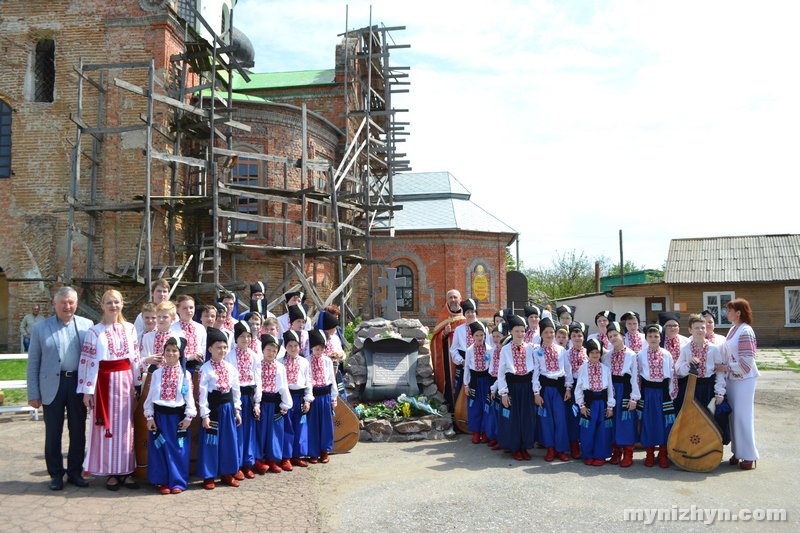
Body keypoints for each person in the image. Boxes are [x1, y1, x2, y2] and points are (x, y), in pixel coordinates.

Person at [26, 287, 94, 490]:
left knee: (78, 431)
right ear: (54, 304)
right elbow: (33, 363)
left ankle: (75, 472)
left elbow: (92, 360)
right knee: (53, 433)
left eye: (71, 302)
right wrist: (33, 393)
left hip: (77, 385)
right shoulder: (40, 327)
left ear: (77, 304)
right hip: (51, 386)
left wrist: (91, 389)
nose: (67, 306)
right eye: (63, 302)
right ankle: (56, 474)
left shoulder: (87, 325)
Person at [77, 289, 142, 491]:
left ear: (122, 304)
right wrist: (88, 390)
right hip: (103, 384)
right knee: (107, 428)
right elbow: (87, 362)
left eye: (117, 302)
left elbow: (135, 358)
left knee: (126, 428)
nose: (113, 306)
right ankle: (110, 473)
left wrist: (137, 384)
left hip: (125, 382)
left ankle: (126, 471)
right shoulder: (94, 331)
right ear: (102, 306)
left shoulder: (130, 328)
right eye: (109, 302)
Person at [143, 336, 196, 494]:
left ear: (180, 353)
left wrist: (188, 417)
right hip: (160, 418)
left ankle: (177, 481)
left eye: (174, 350)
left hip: (177, 419)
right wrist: (149, 416)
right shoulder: (158, 373)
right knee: (160, 448)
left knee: (177, 450)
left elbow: (189, 397)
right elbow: (151, 396)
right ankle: (163, 481)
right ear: (163, 352)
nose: (171, 353)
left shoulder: (185, 374)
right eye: (168, 350)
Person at [197, 327, 242, 489]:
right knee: (211, 441)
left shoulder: (231, 368)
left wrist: (237, 410)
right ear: (210, 349)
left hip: (228, 409)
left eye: (224, 347)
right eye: (218, 347)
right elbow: (202, 394)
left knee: (228, 441)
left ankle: (227, 473)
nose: (222, 350)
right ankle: (209, 476)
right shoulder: (205, 369)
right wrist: (205, 415)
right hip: (213, 410)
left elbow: (235, 391)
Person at [721, 298, 759, 470]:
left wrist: (724, 367)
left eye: (729, 310)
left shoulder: (746, 331)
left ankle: (750, 455)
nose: (727, 313)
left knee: (743, 417)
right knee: (733, 417)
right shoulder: (733, 329)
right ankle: (737, 452)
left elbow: (747, 363)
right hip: (733, 379)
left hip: (744, 379)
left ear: (738, 312)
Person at [636, 324, 678, 468]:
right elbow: (637, 377)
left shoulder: (667, 354)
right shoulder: (640, 355)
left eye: (656, 336)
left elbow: (672, 375)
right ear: (646, 338)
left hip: (663, 393)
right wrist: (637, 395)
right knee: (648, 423)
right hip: (647, 393)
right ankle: (649, 454)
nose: (653, 339)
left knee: (664, 424)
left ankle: (663, 454)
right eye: (650, 336)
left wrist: (672, 394)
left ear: (660, 337)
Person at [496, 314, 537, 461]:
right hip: (512, 387)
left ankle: (525, 446)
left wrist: (535, 390)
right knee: (513, 418)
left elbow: (535, 371)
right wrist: (504, 393)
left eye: (522, 331)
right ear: (511, 332)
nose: (520, 334)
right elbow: (501, 374)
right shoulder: (505, 350)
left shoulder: (530, 349)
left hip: (526, 387)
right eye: (517, 331)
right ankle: (515, 447)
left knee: (526, 417)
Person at [533, 317, 574, 462]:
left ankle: (560, 449)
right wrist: (536, 393)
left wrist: (568, 388)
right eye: (546, 332)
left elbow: (567, 370)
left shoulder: (561, 350)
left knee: (560, 419)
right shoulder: (537, 351)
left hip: (559, 389)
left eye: (551, 332)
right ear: (541, 334)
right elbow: (536, 373)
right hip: (545, 389)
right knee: (546, 420)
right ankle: (550, 449)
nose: (549, 335)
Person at [227, 321, 263, 478]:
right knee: (237, 431)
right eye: (242, 336)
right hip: (235, 396)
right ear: (236, 338)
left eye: (248, 336)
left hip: (249, 397)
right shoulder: (229, 356)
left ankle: (248, 463)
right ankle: (236, 464)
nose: (246, 339)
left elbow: (258, 380)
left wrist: (257, 402)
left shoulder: (255, 356)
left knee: (249, 431)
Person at [602, 321, 640, 467]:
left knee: (626, 422)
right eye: (610, 336)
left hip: (625, 389)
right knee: (613, 421)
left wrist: (633, 398)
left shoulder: (631, 355)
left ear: (623, 336)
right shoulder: (607, 356)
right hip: (612, 390)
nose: (613, 338)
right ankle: (616, 451)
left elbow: (635, 377)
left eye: (615, 335)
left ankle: (628, 453)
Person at [574, 338, 615, 466]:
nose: (595, 355)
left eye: (597, 352)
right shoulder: (583, 368)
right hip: (589, 402)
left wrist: (610, 406)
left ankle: (600, 455)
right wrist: (581, 405)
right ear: (588, 354)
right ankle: (588, 454)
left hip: (602, 402)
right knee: (588, 430)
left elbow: (610, 389)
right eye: (592, 352)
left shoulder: (606, 369)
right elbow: (579, 389)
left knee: (602, 430)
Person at [256, 334, 291, 473]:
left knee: (274, 432)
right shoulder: (257, 365)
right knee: (260, 432)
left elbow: (284, 386)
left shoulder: (280, 367)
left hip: (275, 403)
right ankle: (258, 460)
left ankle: (272, 460)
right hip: (262, 403)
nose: (271, 353)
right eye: (268, 350)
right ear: (263, 350)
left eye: (274, 351)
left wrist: (285, 405)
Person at [674, 314, 725, 411]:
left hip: (708, 388)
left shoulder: (713, 348)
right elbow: (678, 370)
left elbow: (719, 371)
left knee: (707, 417)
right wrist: (688, 365)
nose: (700, 330)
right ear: (690, 330)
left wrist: (719, 393)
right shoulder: (686, 349)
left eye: (702, 327)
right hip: (690, 388)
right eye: (696, 328)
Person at [282, 329, 313, 469]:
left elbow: (308, 381)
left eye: (296, 345)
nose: (293, 348)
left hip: (299, 397)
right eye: (290, 346)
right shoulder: (280, 361)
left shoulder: (304, 362)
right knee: (287, 428)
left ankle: (297, 456)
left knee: (300, 428)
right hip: (286, 397)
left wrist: (307, 400)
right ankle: (286, 457)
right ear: (285, 347)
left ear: (300, 347)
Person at [430, 289, 467, 409]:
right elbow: (435, 338)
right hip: (448, 354)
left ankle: (463, 408)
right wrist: (444, 334)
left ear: (460, 299)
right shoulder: (444, 316)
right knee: (449, 378)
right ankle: (450, 405)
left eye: (455, 297)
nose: (453, 300)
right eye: (450, 297)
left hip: (464, 354)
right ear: (446, 300)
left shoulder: (466, 315)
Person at [306, 329, 337, 464]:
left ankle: (325, 451)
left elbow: (332, 379)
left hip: (325, 395)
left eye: (322, 348)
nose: (319, 351)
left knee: (326, 425)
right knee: (313, 425)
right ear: (311, 347)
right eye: (317, 348)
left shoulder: (327, 361)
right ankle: (313, 452)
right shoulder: (306, 361)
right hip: (313, 396)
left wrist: (333, 398)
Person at [462, 321, 492, 444]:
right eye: (477, 336)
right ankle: (476, 432)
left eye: (481, 335)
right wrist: (466, 385)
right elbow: (467, 368)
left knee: (486, 405)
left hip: (486, 380)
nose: (480, 338)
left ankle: (485, 432)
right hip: (474, 381)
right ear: (472, 337)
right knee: (474, 406)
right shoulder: (469, 350)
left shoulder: (490, 349)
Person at [565, 322, 588, 459]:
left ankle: (585, 445)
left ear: (583, 337)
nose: (577, 338)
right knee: (573, 417)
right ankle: (574, 447)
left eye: (579, 335)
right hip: (572, 386)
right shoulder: (567, 354)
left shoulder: (589, 352)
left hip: (587, 387)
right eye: (574, 336)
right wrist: (568, 388)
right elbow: (567, 372)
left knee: (585, 416)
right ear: (570, 338)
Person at [171, 295, 206, 372]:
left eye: (191, 307)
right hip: (179, 367)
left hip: (198, 367)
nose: (188, 310)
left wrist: (200, 355)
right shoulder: (172, 328)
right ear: (178, 309)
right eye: (184, 308)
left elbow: (204, 347)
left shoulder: (200, 328)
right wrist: (189, 357)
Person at [140, 301, 178, 372]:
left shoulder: (178, 336)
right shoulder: (148, 337)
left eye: (165, 317)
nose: (161, 319)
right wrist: (148, 360)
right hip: (152, 374)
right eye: (159, 316)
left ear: (173, 319)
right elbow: (141, 359)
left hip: (172, 373)